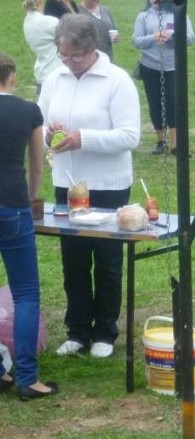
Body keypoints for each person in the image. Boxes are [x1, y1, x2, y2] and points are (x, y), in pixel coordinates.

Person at [38, 15, 140, 359]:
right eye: (63, 55)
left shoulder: (117, 81)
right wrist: (49, 134)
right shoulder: (55, 78)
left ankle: (105, 331)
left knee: (108, 260)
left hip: (108, 185)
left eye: (74, 57)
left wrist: (84, 139)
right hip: (67, 183)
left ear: (92, 49)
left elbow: (130, 135)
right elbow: (38, 122)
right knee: (74, 260)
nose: (68, 62)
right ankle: (78, 329)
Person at [0, 52, 59, 400]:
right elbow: (37, 166)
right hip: (13, 206)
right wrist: (30, 197)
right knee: (25, 294)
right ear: (13, 77)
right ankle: (28, 378)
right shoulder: (28, 111)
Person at [133, 0, 195, 155]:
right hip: (150, 67)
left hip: (173, 67)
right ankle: (161, 141)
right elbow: (137, 41)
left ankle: (176, 145)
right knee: (155, 104)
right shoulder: (143, 16)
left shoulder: (177, 14)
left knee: (173, 103)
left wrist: (173, 34)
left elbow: (191, 38)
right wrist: (154, 37)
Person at [22, 0, 64, 97]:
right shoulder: (49, 22)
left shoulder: (27, 22)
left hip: (42, 74)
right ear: (40, 2)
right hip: (57, 75)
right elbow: (72, 39)